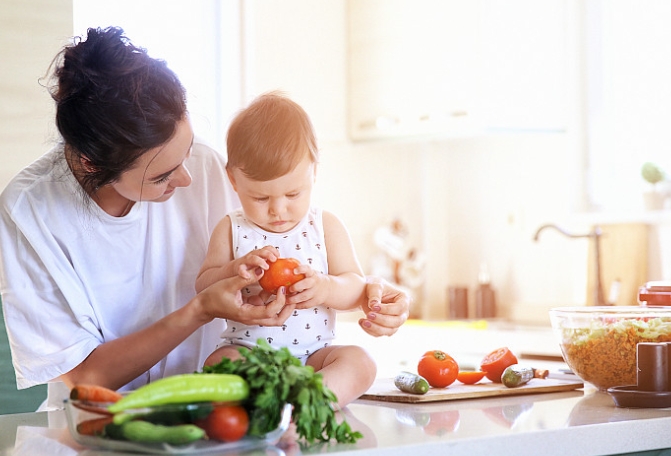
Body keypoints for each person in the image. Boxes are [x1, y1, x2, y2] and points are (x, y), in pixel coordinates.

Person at [0, 26, 409, 410]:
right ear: (92, 165)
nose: (188, 177)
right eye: (161, 176)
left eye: (188, 150)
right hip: (108, 422)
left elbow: (327, 262)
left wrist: (377, 295)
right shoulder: (29, 212)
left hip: (226, 423)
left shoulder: (211, 168)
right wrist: (201, 308)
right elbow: (87, 376)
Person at [195, 92, 376, 407]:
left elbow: (356, 289)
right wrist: (233, 274)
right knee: (219, 363)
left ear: (314, 171)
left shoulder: (325, 226)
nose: (278, 209)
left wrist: (325, 287)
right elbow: (203, 287)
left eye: (293, 193)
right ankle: (275, 406)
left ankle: (307, 405)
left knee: (361, 362)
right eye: (260, 198)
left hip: (314, 360)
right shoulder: (231, 228)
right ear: (233, 181)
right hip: (251, 354)